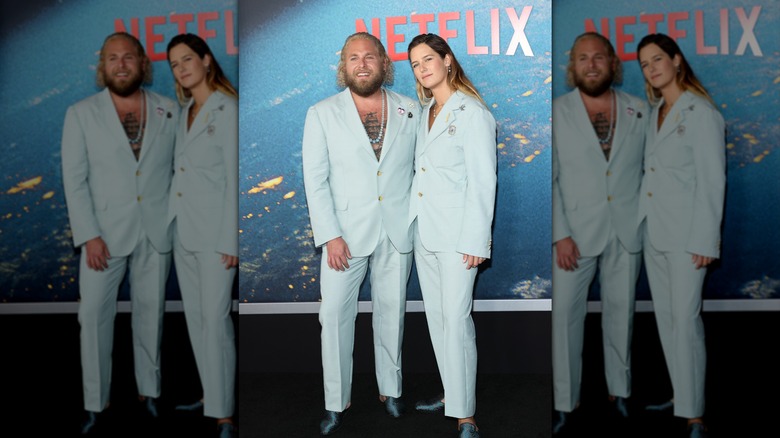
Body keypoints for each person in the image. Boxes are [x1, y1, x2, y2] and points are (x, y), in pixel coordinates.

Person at [301, 32, 420, 436]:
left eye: (370, 56)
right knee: (334, 315)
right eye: (353, 57)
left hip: (397, 230)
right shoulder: (321, 113)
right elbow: (315, 180)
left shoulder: (410, 108)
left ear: (384, 62)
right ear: (344, 66)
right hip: (344, 237)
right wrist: (329, 235)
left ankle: (392, 390)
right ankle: (336, 402)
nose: (362, 63)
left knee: (392, 312)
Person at [61, 32, 178, 435]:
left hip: (156, 232)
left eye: (128, 57)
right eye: (113, 58)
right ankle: (96, 402)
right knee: (93, 317)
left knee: (151, 315)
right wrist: (88, 235)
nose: (121, 64)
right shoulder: (80, 114)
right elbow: (74, 180)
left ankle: (150, 391)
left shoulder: (168, 109)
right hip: (102, 238)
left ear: (143, 63)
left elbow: (180, 172)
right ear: (103, 66)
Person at [550, 32, 648, 435]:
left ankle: (619, 392)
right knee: (564, 320)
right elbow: (552, 177)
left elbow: (651, 172)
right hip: (573, 235)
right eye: (583, 58)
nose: (591, 65)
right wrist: (560, 233)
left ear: (613, 63)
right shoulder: (556, 112)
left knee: (621, 315)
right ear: (573, 66)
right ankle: (564, 401)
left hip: (627, 230)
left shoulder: (640, 109)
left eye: (599, 57)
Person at [406, 33, 497, 438]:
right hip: (425, 231)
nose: (422, 68)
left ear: (447, 60)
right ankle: (452, 394)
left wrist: (476, 240)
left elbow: (483, 180)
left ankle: (465, 416)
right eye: (415, 64)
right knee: (439, 321)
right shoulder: (425, 111)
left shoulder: (473, 112)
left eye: (428, 59)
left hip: (459, 236)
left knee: (457, 322)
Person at [636, 33, 726, 438]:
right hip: (655, 232)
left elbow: (712, 181)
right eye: (644, 64)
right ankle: (682, 396)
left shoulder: (702, 112)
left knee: (686, 323)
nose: (651, 68)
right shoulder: (656, 111)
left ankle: (695, 416)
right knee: (668, 321)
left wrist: (705, 240)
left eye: (657, 59)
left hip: (689, 238)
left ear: (676, 60)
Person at [165, 33, 238, 438]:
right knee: (196, 321)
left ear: (207, 60)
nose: (181, 68)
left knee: (215, 320)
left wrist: (231, 239)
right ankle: (212, 395)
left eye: (187, 59)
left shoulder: (228, 109)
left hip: (216, 237)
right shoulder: (184, 111)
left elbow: (232, 177)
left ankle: (225, 414)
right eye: (174, 64)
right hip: (184, 230)